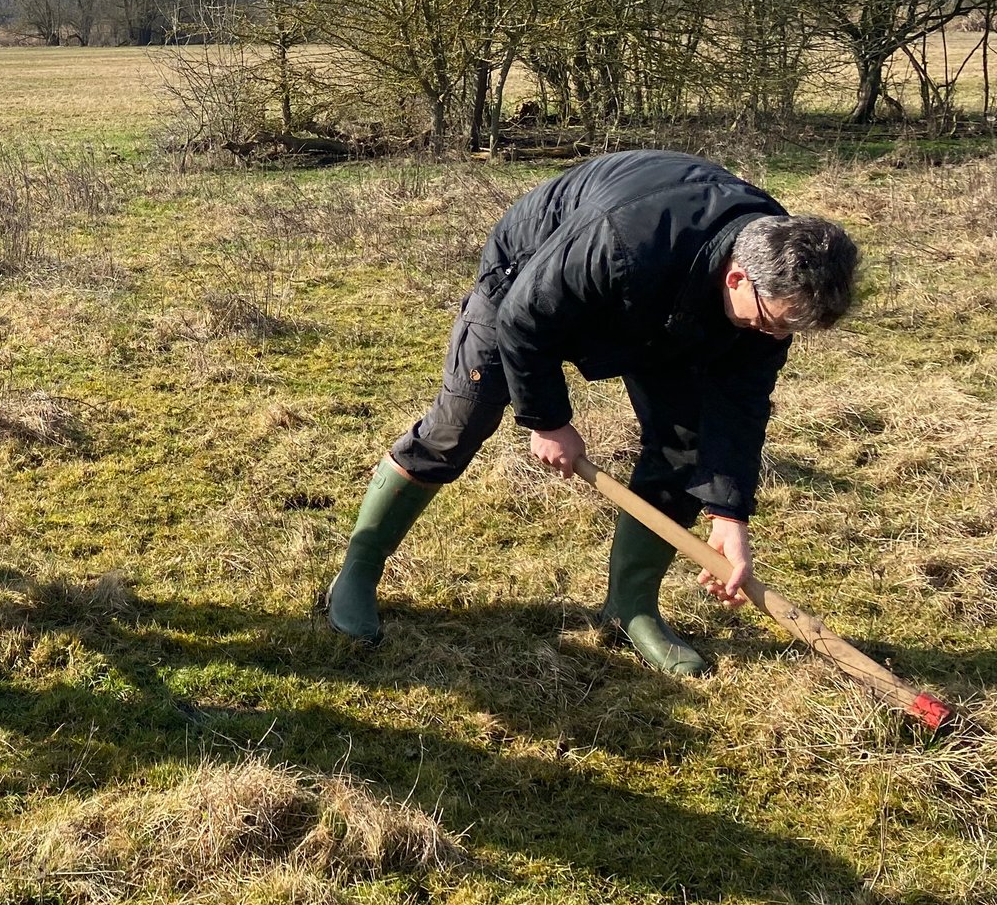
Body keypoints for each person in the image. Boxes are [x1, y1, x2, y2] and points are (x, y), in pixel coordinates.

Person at [326, 150, 858, 676]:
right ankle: (359, 569)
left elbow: (739, 406)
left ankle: (632, 609)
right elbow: (524, 321)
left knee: (684, 447)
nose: (777, 336)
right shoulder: (625, 238)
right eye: (774, 322)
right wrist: (547, 420)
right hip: (529, 277)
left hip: (668, 306)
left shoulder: (774, 293)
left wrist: (729, 514)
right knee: (457, 428)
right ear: (738, 278)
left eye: (791, 329)